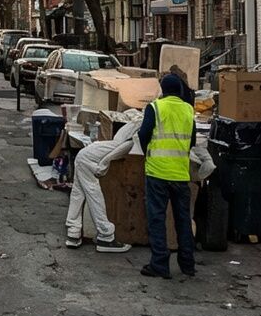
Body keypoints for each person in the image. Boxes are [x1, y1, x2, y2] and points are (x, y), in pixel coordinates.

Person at [137, 72, 197, 279]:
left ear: (163, 90)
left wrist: (149, 153)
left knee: (157, 219)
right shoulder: (189, 110)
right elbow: (193, 141)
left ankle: (160, 264)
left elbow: (143, 134)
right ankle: (188, 264)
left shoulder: (155, 107)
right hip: (180, 173)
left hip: (157, 171)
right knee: (183, 220)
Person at [64, 120, 137, 253]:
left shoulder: (131, 127)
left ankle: (73, 232)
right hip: (88, 160)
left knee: (78, 194)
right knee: (94, 194)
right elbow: (120, 150)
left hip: (83, 156)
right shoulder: (132, 138)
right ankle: (106, 234)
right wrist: (104, 164)